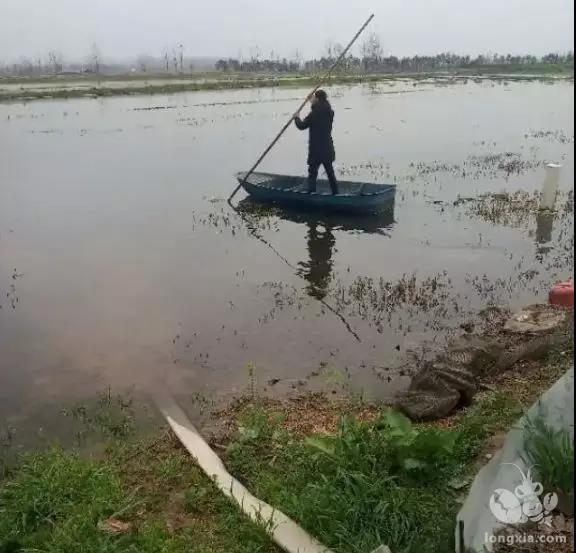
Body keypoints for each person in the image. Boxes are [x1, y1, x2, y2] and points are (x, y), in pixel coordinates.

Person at [293, 90, 338, 194]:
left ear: (317, 99)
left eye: (314, 98)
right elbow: (318, 108)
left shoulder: (314, 114)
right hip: (327, 148)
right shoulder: (330, 112)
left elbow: (302, 126)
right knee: (330, 173)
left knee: (312, 173)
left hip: (316, 150)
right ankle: (336, 193)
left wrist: (296, 118)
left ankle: (311, 194)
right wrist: (311, 100)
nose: (312, 100)